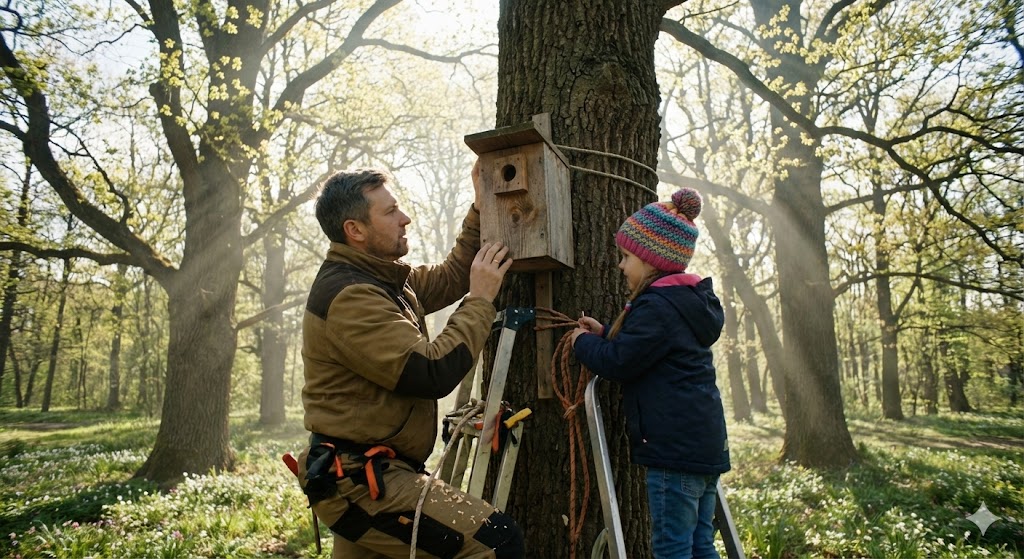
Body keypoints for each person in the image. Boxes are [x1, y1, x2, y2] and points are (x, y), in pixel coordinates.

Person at [296, 164, 525, 559]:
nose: (405, 218)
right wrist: (480, 300)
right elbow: (430, 371)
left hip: (366, 477)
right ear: (356, 230)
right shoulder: (352, 296)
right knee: (496, 542)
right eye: (390, 212)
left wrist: (481, 205)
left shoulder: (382, 281)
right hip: (361, 483)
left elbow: (451, 276)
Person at [570, 188, 730, 559]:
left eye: (626, 257)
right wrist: (606, 332)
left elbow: (620, 362)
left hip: (673, 455)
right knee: (700, 544)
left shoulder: (657, 306)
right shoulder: (683, 303)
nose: (621, 266)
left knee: (672, 547)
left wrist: (581, 343)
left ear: (650, 259)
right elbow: (646, 347)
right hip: (702, 447)